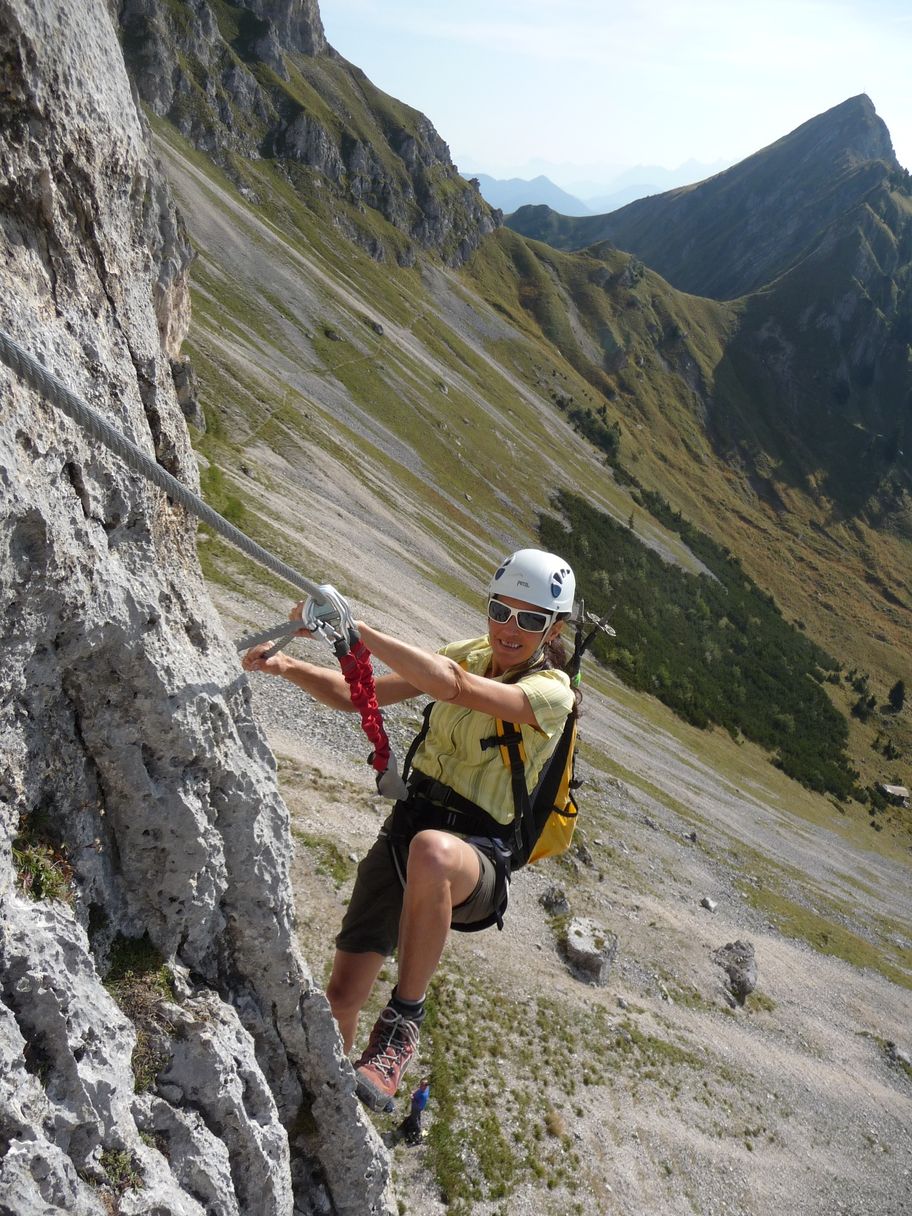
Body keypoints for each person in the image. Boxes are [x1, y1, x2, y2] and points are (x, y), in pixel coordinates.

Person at [242, 549, 576, 1110]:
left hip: (476, 860)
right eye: (501, 610)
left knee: (434, 854)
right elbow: (358, 695)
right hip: (409, 832)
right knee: (341, 993)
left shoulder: (552, 693)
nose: (509, 629)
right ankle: (329, 1104)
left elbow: (453, 688)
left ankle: (403, 1022)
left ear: (554, 628)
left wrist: (355, 628)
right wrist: (288, 668)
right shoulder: (468, 652)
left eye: (531, 619)